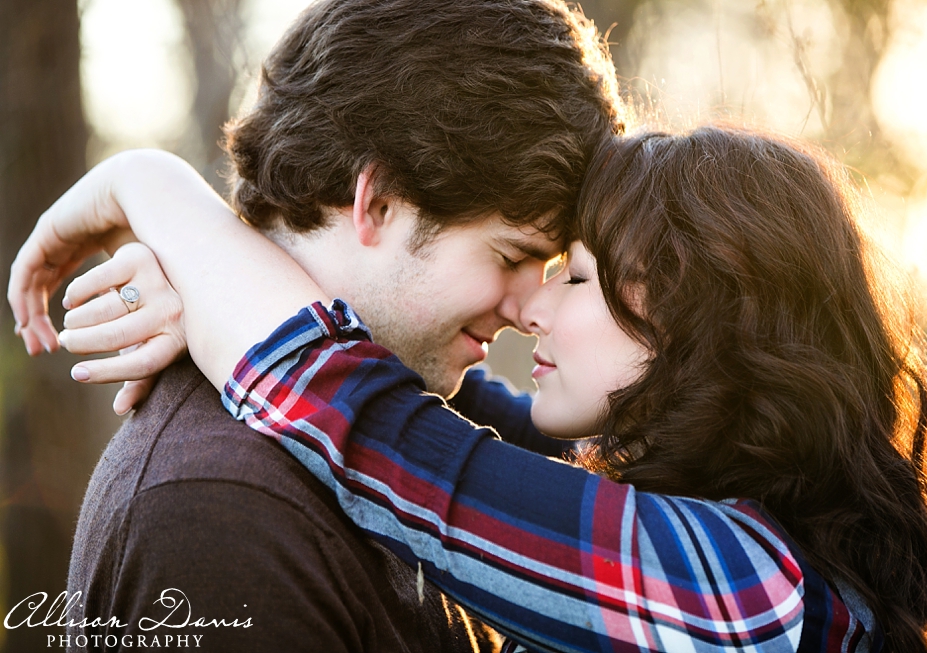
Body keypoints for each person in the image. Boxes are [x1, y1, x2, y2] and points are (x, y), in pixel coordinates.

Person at [13, 126, 927, 652]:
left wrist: (152, 188)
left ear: (702, 331)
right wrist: (208, 277)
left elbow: (368, 426)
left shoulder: (736, 587)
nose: (537, 311)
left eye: (578, 277)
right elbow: (411, 390)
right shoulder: (717, 530)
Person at [6, 0, 624, 649]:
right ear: (376, 201)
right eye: (512, 256)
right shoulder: (220, 516)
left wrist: (168, 208)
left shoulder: (421, 410)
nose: (533, 310)